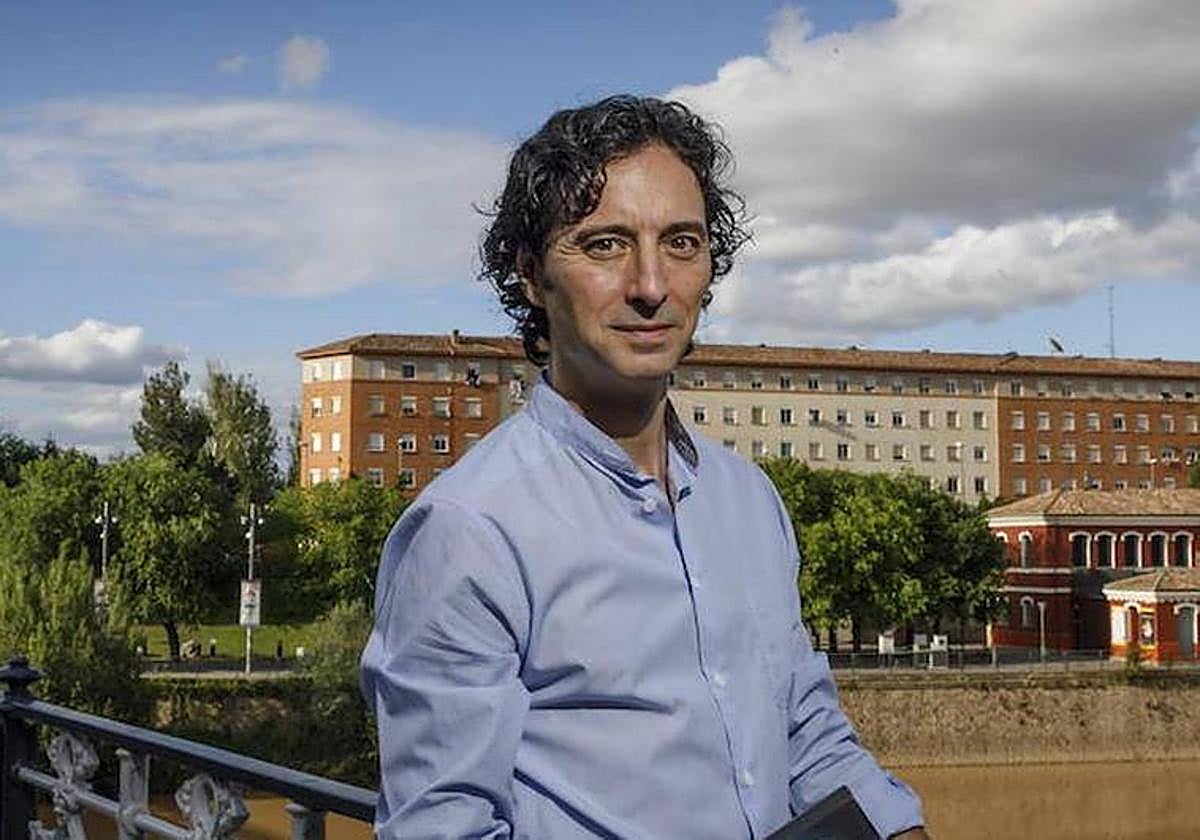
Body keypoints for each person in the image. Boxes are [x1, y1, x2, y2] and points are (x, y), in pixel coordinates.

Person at [360, 95, 927, 839]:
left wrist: (898, 827)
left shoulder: (748, 499)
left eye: (682, 243)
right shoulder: (469, 531)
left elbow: (804, 730)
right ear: (531, 274)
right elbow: (442, 827)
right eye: (606, 245)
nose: (651, 285)